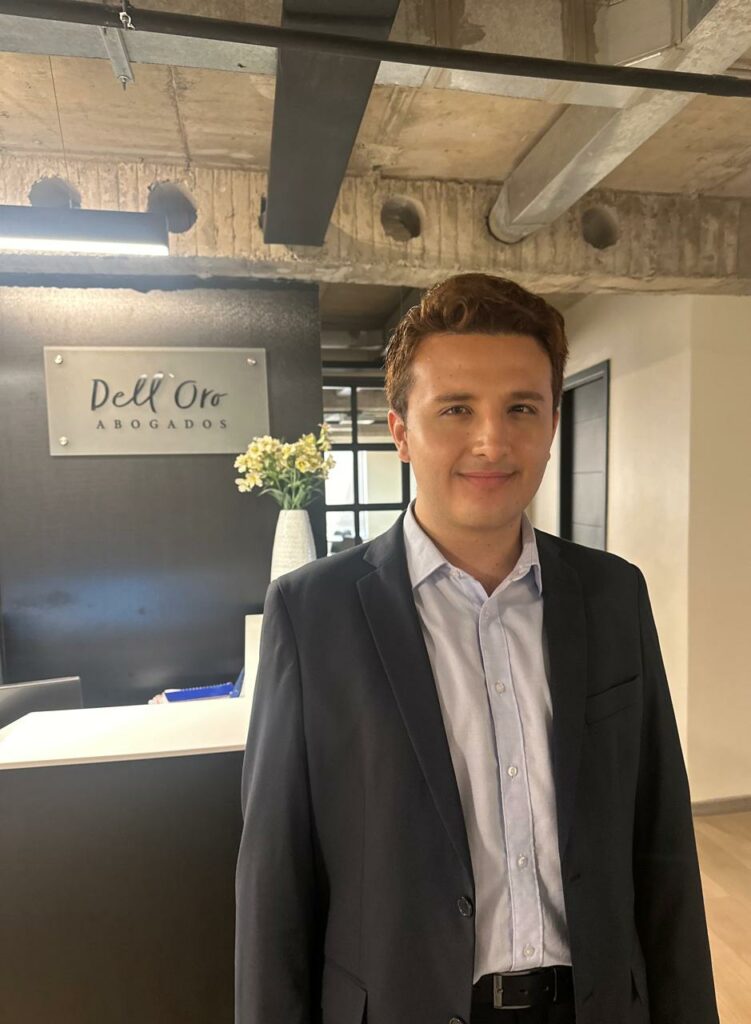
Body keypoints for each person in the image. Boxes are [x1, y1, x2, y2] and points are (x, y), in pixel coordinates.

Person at [235, 273, 719, 1024]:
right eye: (455, 408)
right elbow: (276, 880)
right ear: (401, 431)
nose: (492, 441)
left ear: (551, 424)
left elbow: (660, 844)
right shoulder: (313, 613)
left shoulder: (612, 594)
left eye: (520, 408)